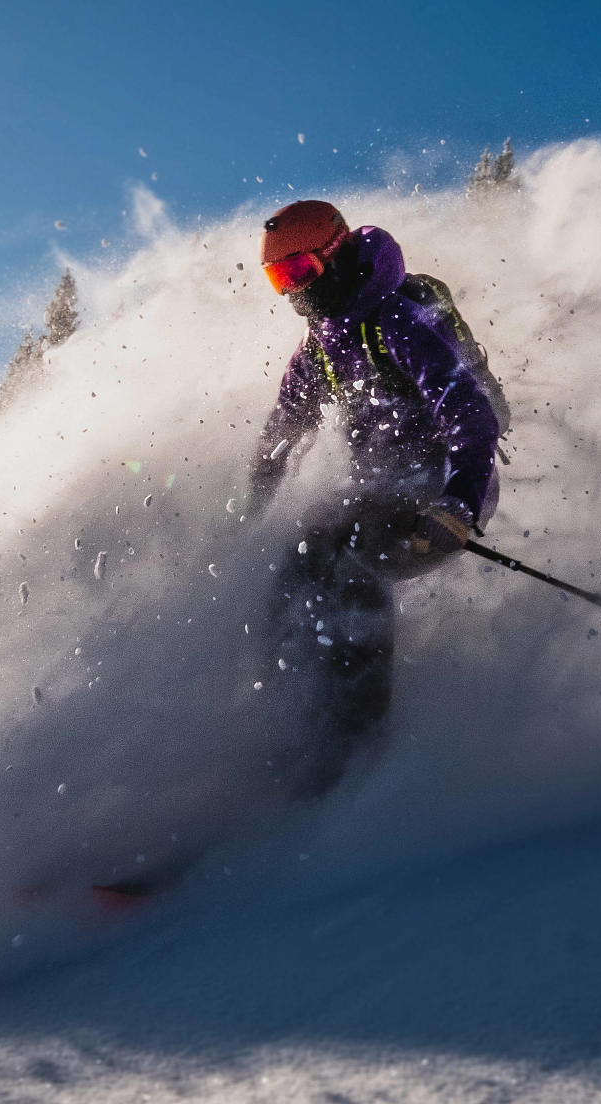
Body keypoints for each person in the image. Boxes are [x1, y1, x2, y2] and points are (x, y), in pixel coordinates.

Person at [246, 200, 504, 797]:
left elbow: (472, 417)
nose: (292, 292)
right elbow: (278, 440)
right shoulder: (319, 350)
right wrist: (253, 515)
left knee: (357, 558)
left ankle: (354, 749)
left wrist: (457, 508)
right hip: (381, 491)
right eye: (278, 280)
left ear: (334, 255)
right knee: (296, 558)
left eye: (299, 272)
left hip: (447, 486)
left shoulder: (397, 321)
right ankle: (286, 725)